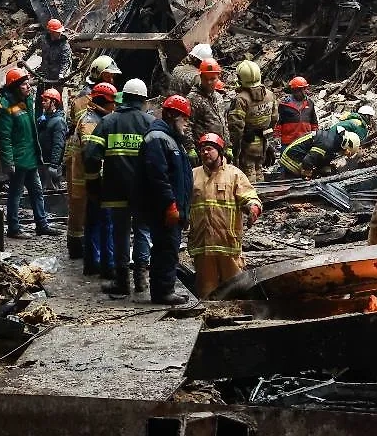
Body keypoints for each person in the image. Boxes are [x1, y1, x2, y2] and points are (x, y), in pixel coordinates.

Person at [84, 78, 155, 295]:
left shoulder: (108, 122)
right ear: (143, 100)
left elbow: (91, 156)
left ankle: (122, 281)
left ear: (124, 98)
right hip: (143, 192)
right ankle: (141, 279)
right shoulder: (151, 123)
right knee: (143, 231)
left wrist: (94, 184)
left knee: (120, 233)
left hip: (115, 190)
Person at [136, 95, 194, 304]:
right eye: (183, 118)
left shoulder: (171, 138)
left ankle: (164, 289)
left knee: (168, 247)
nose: (186, 123)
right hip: (162, 207)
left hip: (171, 206)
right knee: (166, 248)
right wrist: (170, 205)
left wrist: (184, 209)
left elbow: (180, 177)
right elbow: (158, 176)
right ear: (171, 115)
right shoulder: (158, 138)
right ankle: (163, 292)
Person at [190, 133, 262, 298]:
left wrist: (253, 208)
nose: (205, 153)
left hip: (227, 244)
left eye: (209, 149)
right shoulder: (193, 175)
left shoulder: (234, 174)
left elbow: (250, 196)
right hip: (202, 244)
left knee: (235, 291)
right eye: (202, 150)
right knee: (206, 294)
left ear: (220, 151)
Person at [0, 67, 62, 239]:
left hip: (30, 157)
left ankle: (42, 225)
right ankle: (14, 228)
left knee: (37, 191)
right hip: (18, 159)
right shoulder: (4, 107)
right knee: (16, 193)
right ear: (15, 87)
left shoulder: (26, 101)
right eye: (24, 84)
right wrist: (8, 162)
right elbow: (3, 138)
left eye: (28, 83)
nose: (29, 87)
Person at [72, 83, 117, 277]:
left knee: (93, 220)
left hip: (90, 179)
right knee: (103, 221)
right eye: (112, 102)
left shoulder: (94, 117)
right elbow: (92, 156)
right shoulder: (92, 122)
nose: (115, 106)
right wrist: (96, 182)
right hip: (94, 179)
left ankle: (92, 262)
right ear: (104, 101)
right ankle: (102, 264)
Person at [227, 60, 278, 182]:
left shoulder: (241, 99)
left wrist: (233, 148)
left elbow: (236, 127)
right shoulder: (270, 95)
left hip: (247, 144)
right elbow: (274, 119)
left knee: (247, 175)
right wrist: (268, 141)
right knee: (259, 171)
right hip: (263, 143)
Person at [187, 58, 230, 162]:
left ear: (218, 77)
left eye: (212, 79)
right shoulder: (193, 98)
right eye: (205, 78)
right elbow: (187, 124)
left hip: (219, 150)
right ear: (200, 77)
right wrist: (190, 148)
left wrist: (228, 145)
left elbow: (224, 122)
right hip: (204, 152)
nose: (209, 82)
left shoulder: (218, 97)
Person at [67, 55, 122, 131]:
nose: (111, 80)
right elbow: (86, 124)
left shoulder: (106, 93)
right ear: (97, 75)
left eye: (113, 76)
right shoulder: (86, 95)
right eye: (107, 76)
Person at [279, 127, 360, 179]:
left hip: (294, 155)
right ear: (346, 145)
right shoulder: (327, 144)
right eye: (347, 152)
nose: (344, 154)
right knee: (305, 183)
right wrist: (307, 174)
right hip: (291, 158)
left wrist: (327, 169)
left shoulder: (332, 141)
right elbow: (308, 161)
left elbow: (321, 160)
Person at [37, 88, 67, 194]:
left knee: (53, 193)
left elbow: (58, 145)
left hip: (51, 165)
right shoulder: (45, 119)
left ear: (53, 102)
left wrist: (54, 165)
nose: (43, 102)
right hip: (43, 163)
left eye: (46, 100)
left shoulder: (59, 122)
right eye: (43, 100)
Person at [276, 76, 318, 151]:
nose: (305, 91)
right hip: (288, 142)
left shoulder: (310, 103)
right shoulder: (284, 104)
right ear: (295, 90)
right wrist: (277, 136)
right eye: (303, 89)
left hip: (305, 140)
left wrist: (315, 135)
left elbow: (314, 122)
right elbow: (278, 122)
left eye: (305, 88)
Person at [37, 19, 72, 95]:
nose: (59, 33)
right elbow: (32, 47)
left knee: (55, 96)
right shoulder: (43, 39)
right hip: (44, 73)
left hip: (56, 76)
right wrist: (24, 59)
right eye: (57, 32)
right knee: (40, 95)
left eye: (60, 31)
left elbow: (65, 62)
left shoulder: (64, 45)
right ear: (51, 32)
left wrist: (61, 74)